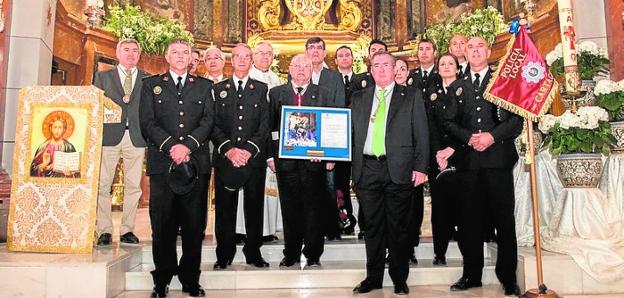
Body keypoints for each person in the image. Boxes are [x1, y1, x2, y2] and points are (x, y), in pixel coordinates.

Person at [442, 36, 522, 296]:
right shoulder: (458, 86)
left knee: (503, 220)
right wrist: (468, 137)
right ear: (464, 52)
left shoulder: (503, 82)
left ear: (488, 51)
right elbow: (448, 122)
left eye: (479, 47)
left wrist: (492, 136)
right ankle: (472, 274)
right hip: (469, 163)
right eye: (470, 48)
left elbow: (516, 121)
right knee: (469, 222)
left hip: (498, 160)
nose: (475, 51)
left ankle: (508, 277)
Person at [140, 39, 214, 298]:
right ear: (167, 56)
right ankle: (162, 279)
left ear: (192, 57)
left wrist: (188, 147)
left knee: (194, 226)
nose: (181, 56)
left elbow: (208, 121)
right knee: (162, 225)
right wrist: (172, 146)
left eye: (185, 52)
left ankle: (190, 280)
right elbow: (147, 123)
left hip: (196, 163)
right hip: (163, 164)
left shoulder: (204, 86)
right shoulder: (151, 85)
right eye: (176, 52)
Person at [350, 51, 429, 295]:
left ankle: (399, 278)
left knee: (398, 228)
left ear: (395, 69)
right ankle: (373, 278)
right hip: (367, 169)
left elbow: (422, 134)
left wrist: (421, 167)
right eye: (376, 65)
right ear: (370, 70)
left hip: (399, 169)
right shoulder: (359, 97)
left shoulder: (411, 95)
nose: (381, 69)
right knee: (372, 227)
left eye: (386, 65)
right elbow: (349, 134)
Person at [267, 54, 336, 268]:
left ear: (311, 70)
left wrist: (330, 156)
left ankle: (313, 254)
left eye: (306, 66)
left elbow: (331, 126)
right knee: (290, 209)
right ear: (289, 69)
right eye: (296, 66)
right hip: (286, 163)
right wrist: (271, 156)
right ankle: (292, 253)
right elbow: (269, 128)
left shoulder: (323, 94)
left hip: (314, 163)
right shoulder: (276, 94)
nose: (301, 70)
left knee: (314, 208)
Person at [212, 43, 271, 270]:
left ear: (252, 60)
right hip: (227, 158)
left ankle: (253, 252)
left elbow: (264, 126)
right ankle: (224, 254)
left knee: (254, 207)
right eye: (238, 56)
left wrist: (248, 150)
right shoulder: (219, 89)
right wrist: (230, 150)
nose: (243, 60)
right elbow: (214, 124)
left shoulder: (261, 88)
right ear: (232, 59)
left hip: (252, 159)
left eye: (247, 56)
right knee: (225, 209)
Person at [93, 38, 147, 246]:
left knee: (134, 186)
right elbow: (96, 106)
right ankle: (104, 230)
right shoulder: (102, 77)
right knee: (103, 184)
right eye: (126, 50)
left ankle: (127, 229)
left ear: (139, 55)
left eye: (135, 50)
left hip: (135, 136)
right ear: (117, 53)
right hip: (109, 136)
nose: (131, 54)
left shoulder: (147, 78)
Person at [238, 41, 283, 243]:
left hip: (270, 142)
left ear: (273, 57)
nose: (265, 57)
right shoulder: (246, 78)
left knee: (269, 189)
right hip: (249, 143)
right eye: (260, 53)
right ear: (253, 56)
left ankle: (267, 230)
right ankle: (241, 229)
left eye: (269, 54)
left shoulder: (277, 80)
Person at [305, 37, 345, 241]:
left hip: (328, 139)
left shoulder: (334, 77)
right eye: (311, 48)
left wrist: (333, 151)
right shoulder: (299, 72)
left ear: (324, 52)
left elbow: (339, 109)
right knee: (307, 187)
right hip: (304, 139)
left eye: (319, 48)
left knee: (329, 186)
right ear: (306, 52)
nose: (315, 51)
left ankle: (331, 228)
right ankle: (310, 230)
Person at [406, 38, 441, 264]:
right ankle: (410, 242)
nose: (424, 52)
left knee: (440, 196)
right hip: (415, 145)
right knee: (412, 197)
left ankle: (441, 246)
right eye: (421, 49)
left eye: (428, 48)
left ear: (435, 53)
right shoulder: (412, 78)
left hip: (436, 143)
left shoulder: (442, 75)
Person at [426, 53, 462, 266]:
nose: (446, 67)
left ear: (457, 68)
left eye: (451, 64)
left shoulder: (466, 90)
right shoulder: (431, 93)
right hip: (437, 158)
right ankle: (439, 252)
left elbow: (470, 124)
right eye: (442, 64)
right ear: (437, 69)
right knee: (439, 208)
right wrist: (438, 153)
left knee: (464, 204)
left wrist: (453, 150)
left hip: (461, 155)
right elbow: (429, 126)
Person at [333, 45, 358, 235]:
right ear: (335, 60)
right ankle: (343, 218)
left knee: (361, 181)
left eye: (347, 55)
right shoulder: (329, 81)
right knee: (339, 182)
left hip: (358, 139)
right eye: (340, 55)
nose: (344, 58)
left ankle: (366, 222)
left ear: (353, 58)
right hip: (338, 140)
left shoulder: (363, 80)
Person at [30, 112, 80, 178]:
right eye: (55, 127)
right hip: (44, 183)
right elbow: (32, 171)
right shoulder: (43, 147)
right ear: (51, 129)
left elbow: (77, 172)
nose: (57, 130)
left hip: (63, 183)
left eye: (60, 127)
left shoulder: (69, 147)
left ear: (64, 130)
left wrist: (70, 174)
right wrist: (44, 164)